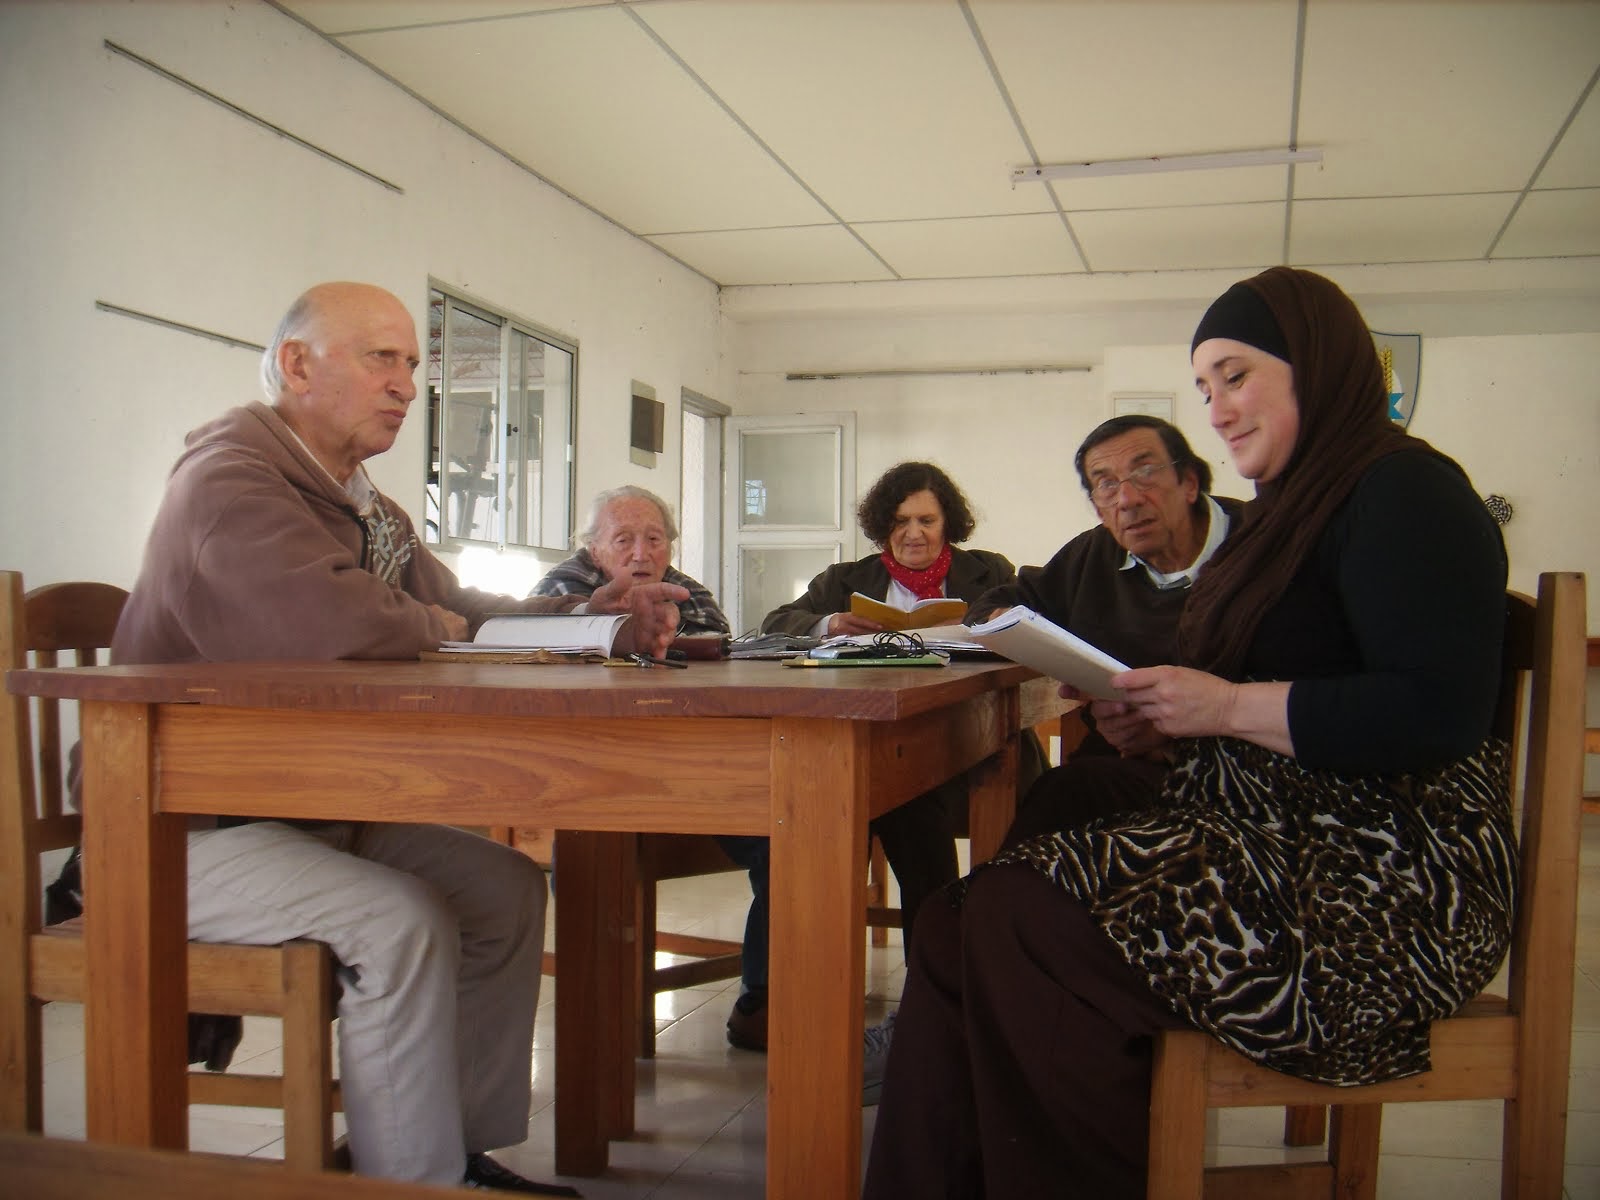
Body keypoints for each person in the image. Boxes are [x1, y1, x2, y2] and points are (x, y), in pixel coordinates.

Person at [864, 267, 1515, 1199]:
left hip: (1381, 890)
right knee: (975, 898)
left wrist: (1219, 709)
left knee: (1016, 922)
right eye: (1206, 387)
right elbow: (1300, 683)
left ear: (1316, 365)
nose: (1218, 406)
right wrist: (1172, 729)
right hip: (1289, 831)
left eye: (1236, 375)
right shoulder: (1305, 508)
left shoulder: (1405, 492)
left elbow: (1435, 711)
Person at [110, 281, 685, 1193]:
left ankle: (449, 1152)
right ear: (298, 364)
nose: (407, 384)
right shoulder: (231, 480)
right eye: (383, 357)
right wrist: (459, 629)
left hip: (293, 810)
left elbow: (450, 602)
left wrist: (587, 610)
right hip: (171, 831)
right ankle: (411, 1182)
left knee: (500, 887)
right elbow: (339, 621)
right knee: (403, 918)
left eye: (413, 363)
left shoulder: (358, 500)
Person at [733, 463, 1039, 1097]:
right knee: (891, 793)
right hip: (882, 744)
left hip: (975, 742)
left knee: (908, 795)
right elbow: (774, 622)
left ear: (948, 523)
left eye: (927, 520)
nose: (914, 534)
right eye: (900, 522)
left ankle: (945, 982)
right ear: (882, 528)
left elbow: (1021, 627)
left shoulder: (990, 570)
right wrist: (826, 626)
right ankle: (891, 991)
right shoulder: (846, 581)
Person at [965, 416, 1243, 835]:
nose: (1127, 498)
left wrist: (1169, 736)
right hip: (1121, 773)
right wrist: (1004, 622)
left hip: (1243, 787)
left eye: (1145, 472)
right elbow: (997, 601)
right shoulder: (1094, 555)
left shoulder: (1262, 543)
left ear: (1189, 482)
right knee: (1049, 817)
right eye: (1106, 484)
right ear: (1098, 506)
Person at [531, 485, 730, 638]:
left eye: (653, 539)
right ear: (594, 552)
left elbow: (717, 646)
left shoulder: (688, 593)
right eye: (623, 541)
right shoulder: (562, 588)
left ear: (670, 546)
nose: (641, 555)